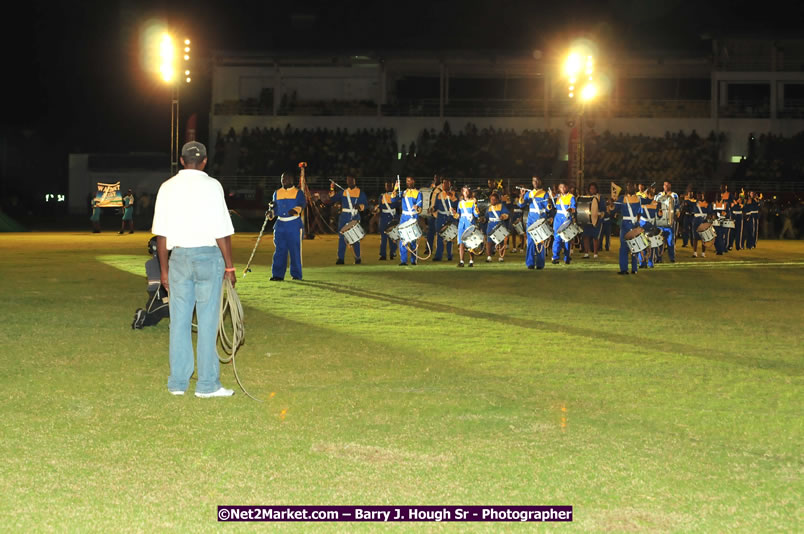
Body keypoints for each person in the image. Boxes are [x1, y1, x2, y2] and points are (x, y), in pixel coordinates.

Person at [151, 141, 236, 398]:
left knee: (179, 322)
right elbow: (222, 231)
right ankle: (207, 385)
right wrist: (229, 266)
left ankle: (178, 383)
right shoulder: (213, 186)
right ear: (205, 161)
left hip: (179, 258)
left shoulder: (167, 187)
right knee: (208, 321)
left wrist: (163, 271)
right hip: (208, 257)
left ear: (181, 160)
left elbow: (161, 235)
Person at [268, 171, 306, 281]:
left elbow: (302, 204)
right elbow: (274, 208)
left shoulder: (298, 193)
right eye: (282, 178)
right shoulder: (277, 193)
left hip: (293, 225)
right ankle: (277, 275)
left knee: (294, 251)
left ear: (292, 180)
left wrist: (296, 210)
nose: (284, 180)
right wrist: (271, 213)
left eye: (287, 178)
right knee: (280, 250)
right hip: (280, 225)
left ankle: (296, 275)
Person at [132, 236, 170, 329]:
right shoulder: (170, 263)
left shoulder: (148, 264)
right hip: (166, 300)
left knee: (152, 319)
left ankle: (143, 317)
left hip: (153, 300)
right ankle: (176, 324)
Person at [329, 175, 367, 264]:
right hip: (344, 217)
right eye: (348, 180)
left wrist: (359, 206)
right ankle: (340, 259)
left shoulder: (360, 192)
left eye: (351, 180)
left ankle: (357, 258)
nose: (349, 182)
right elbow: (333, 199)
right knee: (342, 238)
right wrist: (332, 188)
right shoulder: (343, 192)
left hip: (354, 216)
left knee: (355, 238)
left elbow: (365, 205)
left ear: (355, 181)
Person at [518, 176, 551, 270]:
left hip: (541, 219)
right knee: (530, 242)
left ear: (540, 181)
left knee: (540, 242)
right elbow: (521, 205)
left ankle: (540, 264)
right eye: (533, 181)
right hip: (531, 220)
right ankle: (530, 263)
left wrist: (549, 201)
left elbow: (548, 209)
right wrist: (522, 196)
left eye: (537, 180)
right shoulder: (528, 193)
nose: (535, 182)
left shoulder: (545, 194)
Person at [614, 182, 642, 274]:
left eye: (631, 186)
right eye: (628, 186)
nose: (630, 188)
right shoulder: (624, 198)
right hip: (629, 224)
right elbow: (615, 208)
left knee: (632, 246)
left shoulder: (637, 198)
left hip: (630, 224)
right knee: (626, 247)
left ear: (635, 187)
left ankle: (630, 269)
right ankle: (627, 269)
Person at [397, 176, 423, 266]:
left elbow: (420, 208)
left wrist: (417, 207)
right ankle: (403, 260)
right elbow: (393, 199)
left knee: (413, 239)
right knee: (403, 238)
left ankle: (413, 259)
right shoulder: (403, 193)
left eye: (410, 181)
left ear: (413, 181)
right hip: (404, 217)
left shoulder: (418, 193)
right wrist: (395, 188)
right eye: (407, 181)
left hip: (413, 216)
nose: (408, 182)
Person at [654, 181, 679, 263]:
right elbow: (654, 205)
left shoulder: (674, 195)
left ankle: (672, 258)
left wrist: (676, 215)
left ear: (670, 185)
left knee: (670, 241)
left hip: (669, 222)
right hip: (660, 222)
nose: (666, 186)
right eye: (664, 185)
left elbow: (677, 208)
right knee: (659, 241)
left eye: (667, 185)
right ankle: (658, 258)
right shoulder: (659, 195)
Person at [551, 183, 575, 265]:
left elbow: (573, 208)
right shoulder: (557, 197)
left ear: (567, 187)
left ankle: (567, 257)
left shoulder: (571, 197)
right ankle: (555, 257)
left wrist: (570, 210)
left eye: (564, 187)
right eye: (561, 187)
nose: (563, 188)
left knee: (566, 239)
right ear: (559, 189)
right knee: (557, 238)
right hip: (558, 219)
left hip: (566, 218)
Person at [455, 186, 479, 267]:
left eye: (467, 191)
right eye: (464, 191)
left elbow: (476, 214)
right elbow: (458, 215)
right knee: (461, 243)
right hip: (461, 224)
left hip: (470, 224)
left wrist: (476, 205)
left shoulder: (472, 202)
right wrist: (454, 213)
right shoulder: (460, 203)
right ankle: (461, 261)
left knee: (470, 243)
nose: (466, 192)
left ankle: (471, 261)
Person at [433, 178, 456, 262]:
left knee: (449, 236)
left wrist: (452, 197)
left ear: (450, 185)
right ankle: (438, 256)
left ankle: (450, 255)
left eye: (447, 183)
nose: (445, 185)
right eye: (444, 183)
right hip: (440, 217)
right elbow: (436, 206)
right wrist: (432, 209)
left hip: (449, 217)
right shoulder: (439, 195)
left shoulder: (453, 194)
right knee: (439, 236)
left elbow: (456, 205)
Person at [484, 191, 509, 262]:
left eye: (494, 199)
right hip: (490, 225)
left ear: (497, 200)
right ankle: (489, 257)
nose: (492, 201)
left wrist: (503, 216)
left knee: (500, 241)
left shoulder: (501, 206)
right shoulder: (489, 208)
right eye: (491, 199)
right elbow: (486, 217)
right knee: (489, 241)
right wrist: (483, 219)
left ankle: (501, 256)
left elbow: (507, 214)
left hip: (499, 224)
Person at [378, 181, 399, 261]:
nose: (388, 187)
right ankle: (383, 254)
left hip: (392, 217)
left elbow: (397, 205)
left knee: (393, 236)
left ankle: (392, 253)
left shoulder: (395, 195)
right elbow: (380, 206)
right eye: (387, 185)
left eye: (390, 185)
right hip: (384, 217)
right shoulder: (382, 196)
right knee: (383, 237)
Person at [638, 188, 660, 268]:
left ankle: (642, 262)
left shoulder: (642, 201)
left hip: (643, 224)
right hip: (652, 224)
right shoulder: (657, 203)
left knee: (642, 244)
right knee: (652, 244)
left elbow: (638, 212)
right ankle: (651, 262)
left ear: (647, 194)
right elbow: (659, 215)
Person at [581, 182, 602, 259]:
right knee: (585, 236)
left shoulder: (599, 198)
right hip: (587, 219)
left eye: (593, 188)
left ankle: (595, 253)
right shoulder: (586, 197)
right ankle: (586, 253)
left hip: (596, 220)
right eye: (591, 188)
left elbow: (603, 209)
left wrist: (599, 213)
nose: (592, 190)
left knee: (595, 237)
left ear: (596, 189)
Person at [425, 174, 443, 255]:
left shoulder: (441, 187)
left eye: (437, 178)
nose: (435, 179)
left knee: (439, 233)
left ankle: (438, 251)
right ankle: (428, 249)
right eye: (435, 178)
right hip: (432, 212)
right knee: (430, 232)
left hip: (438, 213)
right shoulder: (433, 187)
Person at [690, 191, 710, 258]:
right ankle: (695, 253)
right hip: (696, 221)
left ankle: (703, 253)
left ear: (703, 196)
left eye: (701, 195)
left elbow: (709, 213)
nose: (700, 197)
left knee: (704, 238)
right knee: (695, 238)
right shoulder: (694, 203)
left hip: (704, 221)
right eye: (698, 196)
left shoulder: (707, 203)